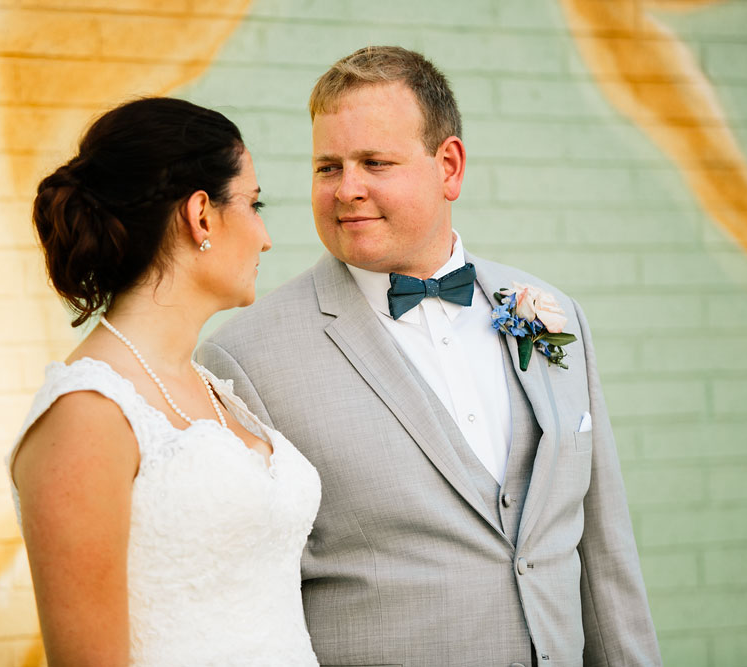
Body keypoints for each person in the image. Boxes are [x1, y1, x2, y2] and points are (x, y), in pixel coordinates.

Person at [197, 47, 662, 666]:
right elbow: (245, 608)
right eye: (328, 167)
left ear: (449, 167)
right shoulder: (243, 358)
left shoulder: (549, 312)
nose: (347, 190)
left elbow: (604, 551)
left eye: (375, 162)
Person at [7, 97, 321, 666]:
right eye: (254, 204)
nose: (266, 236)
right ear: (200, 215)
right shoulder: (87, 414)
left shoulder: (215, 390)